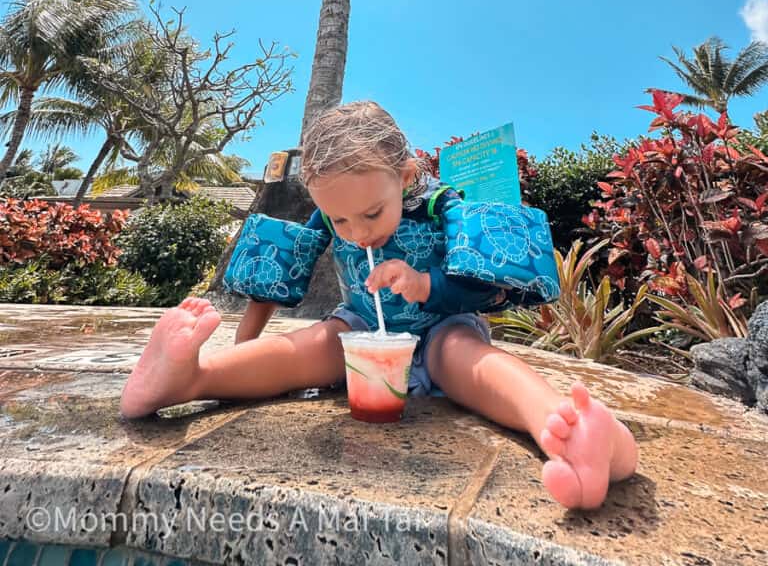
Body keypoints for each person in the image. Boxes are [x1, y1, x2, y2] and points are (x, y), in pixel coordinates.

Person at [119, 101, 638, 510]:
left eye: (371, 213)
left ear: (406, 176)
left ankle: (569, 432)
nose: (356, 232)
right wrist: (244, 352)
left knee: (466, 358)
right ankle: (188, 379)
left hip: (439, 326)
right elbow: (282, 273)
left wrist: (422, 285)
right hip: (361, 330)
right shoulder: (334, 214)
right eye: (341, 221)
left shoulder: (440, 205)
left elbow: (481, 288)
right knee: (309, 346)